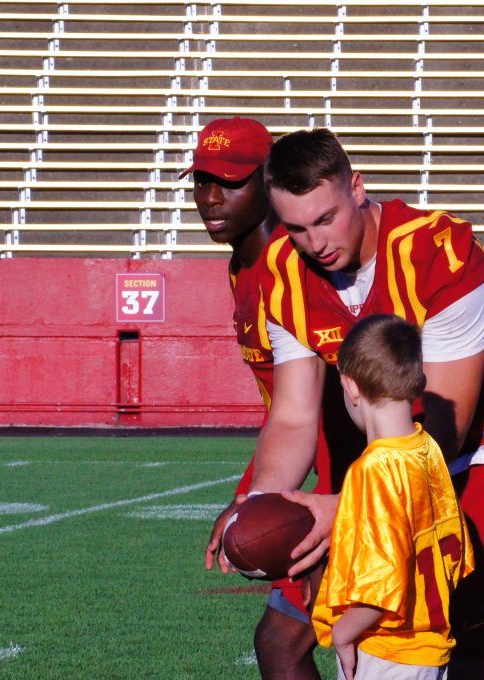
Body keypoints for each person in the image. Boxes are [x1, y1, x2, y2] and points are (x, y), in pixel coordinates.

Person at [249, 127, 484, 679]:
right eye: (296, 227)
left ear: (357, 188)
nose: (315, 242)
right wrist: (263, 501)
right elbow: (292, 414)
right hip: (396, 450)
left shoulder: (438, 249)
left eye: (326, 218)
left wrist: (354, 505)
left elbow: (451, 415)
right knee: (401, 629)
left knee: (479, 639)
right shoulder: (283, 271)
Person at [184, 117, 335, 679]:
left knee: (310, 643)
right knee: (283, 643)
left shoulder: (294, 264)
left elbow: (326, 400)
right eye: (201, 181)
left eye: (230, 181)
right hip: (317, 472)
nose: (211, 197)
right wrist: (250, 494)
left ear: (270, 182)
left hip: (354, 478)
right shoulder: (241, 266)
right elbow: (285, 412)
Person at [312, 314, 473, 680]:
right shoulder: (428, 449)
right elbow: (458, 551)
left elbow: (383, 581)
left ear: (351, 387)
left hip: (386, 646)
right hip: (429, 645)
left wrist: (343, 631)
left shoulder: (374, 470)